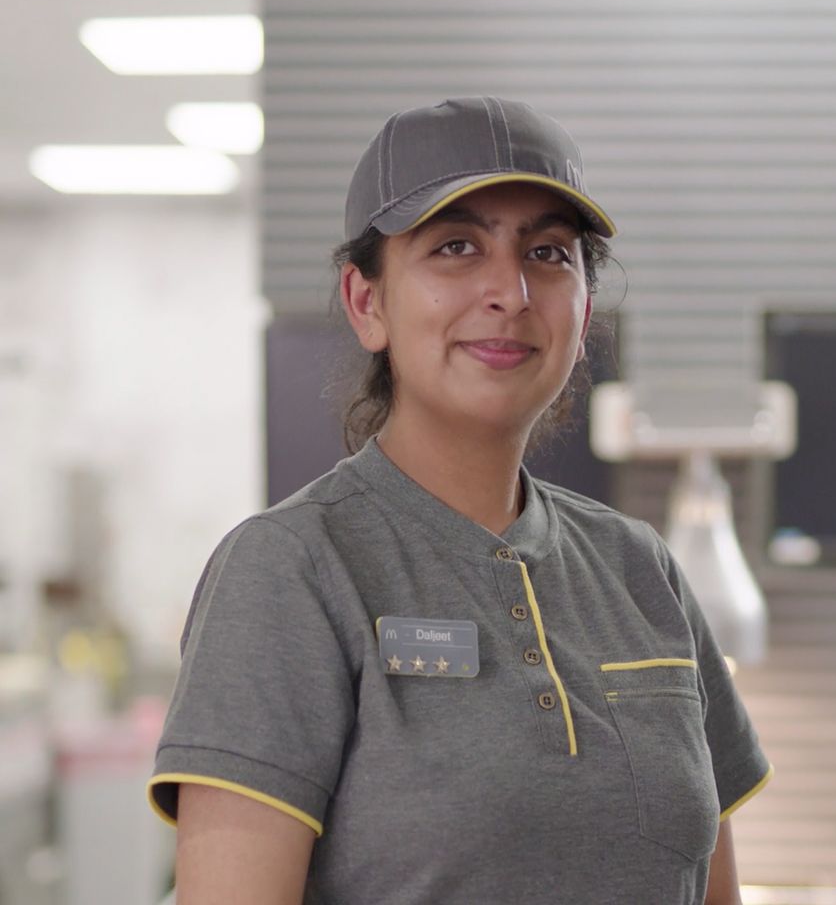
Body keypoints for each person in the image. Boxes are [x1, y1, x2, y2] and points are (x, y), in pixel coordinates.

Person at [147, 96, 772, 905]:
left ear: (584, 308)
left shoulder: (640, 568)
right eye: (454, 247)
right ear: (367, 302)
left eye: (548, 252)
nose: (509, 290)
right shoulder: (290, 572)